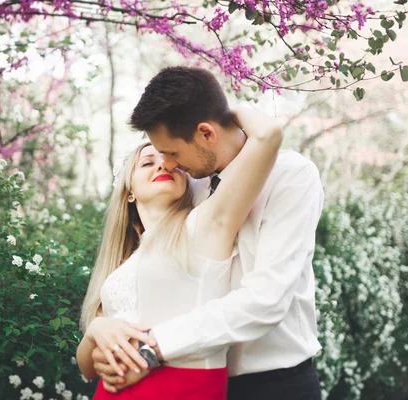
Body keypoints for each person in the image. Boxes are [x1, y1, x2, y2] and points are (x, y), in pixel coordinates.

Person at [90, 66, 325, 400]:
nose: (167, 165)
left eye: (171, 152)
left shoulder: (291, 176)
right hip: (193, 382)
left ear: (206, 133)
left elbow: (266, 301)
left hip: (273, 384)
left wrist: (151, 350)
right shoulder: (192, 185)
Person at [76, 103, 283, 399]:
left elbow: (268, 134)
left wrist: (218, 109)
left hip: (181, 389)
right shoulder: (121, 264)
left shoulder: (204, 225)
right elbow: (88, 368)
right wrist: (97, 329)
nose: (163, 165)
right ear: (129, 190)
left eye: (171, 160)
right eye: (148, 163)